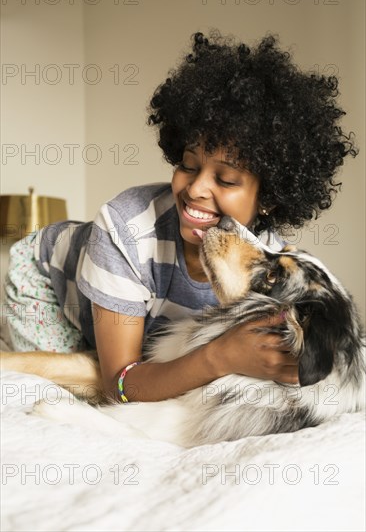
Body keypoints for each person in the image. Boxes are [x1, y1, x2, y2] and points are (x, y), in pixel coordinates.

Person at [4, 31, 357, 403]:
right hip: (50, 286)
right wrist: (219, 356)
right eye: (188, 166)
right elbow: (119, 385)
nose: (196, 189)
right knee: (74, 385)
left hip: (141, 319)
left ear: (268, 198)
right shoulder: (124, 227)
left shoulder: (270, 264)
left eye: (225, 178)